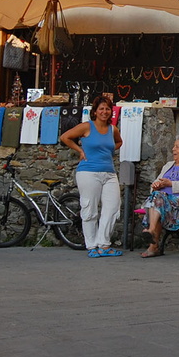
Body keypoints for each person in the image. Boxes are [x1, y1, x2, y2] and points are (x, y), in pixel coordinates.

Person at [60, 94, 124, 257]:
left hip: (109, 173)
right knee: (90, 208)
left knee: (112, 207)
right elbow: (65, 137)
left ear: (111, 112)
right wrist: (80, 150)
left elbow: (119, 142)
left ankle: (103, 244)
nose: (105, 112)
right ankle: (91, 246)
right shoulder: (87, 127)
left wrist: (108, 151)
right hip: (88, 172)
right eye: (101, 109)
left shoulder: (112, 129)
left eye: (108, 109)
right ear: (95, 112)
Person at [140, 135, 179, 258]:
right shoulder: (168, 165)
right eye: (174, 146)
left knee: (158, 200)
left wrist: (170, 184)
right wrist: (156, 185)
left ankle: (153, 242)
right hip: (162, 200)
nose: (173, 149)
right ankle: (153, 241)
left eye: (177, 147)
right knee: (158, 198)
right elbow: (155, 184)